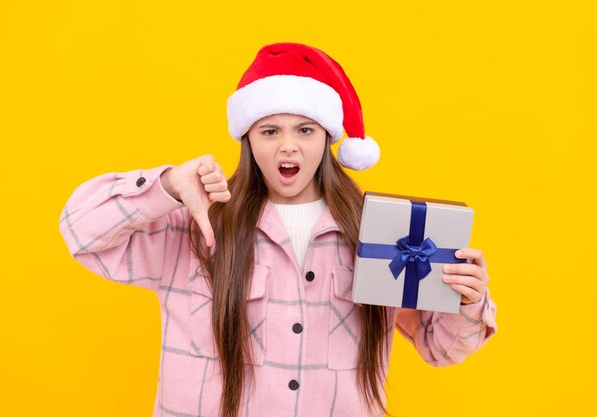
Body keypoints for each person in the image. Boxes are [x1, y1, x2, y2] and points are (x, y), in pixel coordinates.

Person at [59, 42, 497, 417]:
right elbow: (81, 232)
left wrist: (466, 301)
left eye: (304, 129)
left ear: (326, 140)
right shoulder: (195, 225)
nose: (288, 144)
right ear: (248, 140)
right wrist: (170, 185)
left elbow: (441, 349)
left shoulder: (384, 234)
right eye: (270, 130)